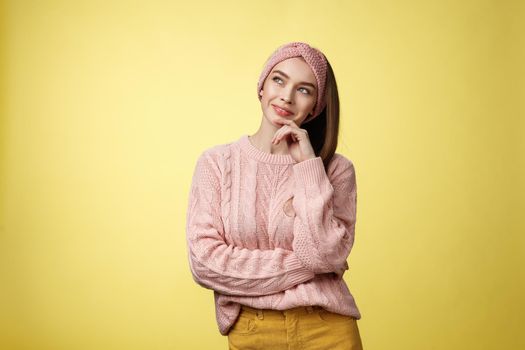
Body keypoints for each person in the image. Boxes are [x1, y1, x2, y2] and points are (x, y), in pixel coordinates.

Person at [185, 41, 363, 349]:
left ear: (316, 106)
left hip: (327, 327)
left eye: (304, 90)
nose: (287, 96)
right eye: (278, 80)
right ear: (262, 86)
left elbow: (328, 253)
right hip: (253, 328)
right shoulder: (216, 164)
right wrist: (309, 267)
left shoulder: (335, 170)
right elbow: (205, 263)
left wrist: (308, 167)